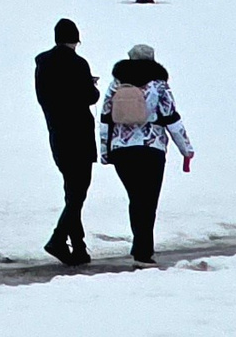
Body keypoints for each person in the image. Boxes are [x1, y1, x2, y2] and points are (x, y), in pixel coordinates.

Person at [101, 41, 194, 262]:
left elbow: (105, 118)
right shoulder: (159, 86)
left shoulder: (116, 84)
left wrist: (105, 151)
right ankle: (143, 250)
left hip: (122, 150)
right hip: (151, 149)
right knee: (148, 200)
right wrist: (186, 149)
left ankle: (140, 245)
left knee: (135, 198)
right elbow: (171, 118)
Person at [33, 18, 98, 264]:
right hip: (79, 134)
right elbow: (89, 97)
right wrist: (92, 86)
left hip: (57, 134)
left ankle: (78, 248)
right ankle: (59, 239)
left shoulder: (42, 64)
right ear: (75, 39)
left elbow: (44, 98)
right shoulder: (78, 64)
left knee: (72, 191)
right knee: (78, 192)